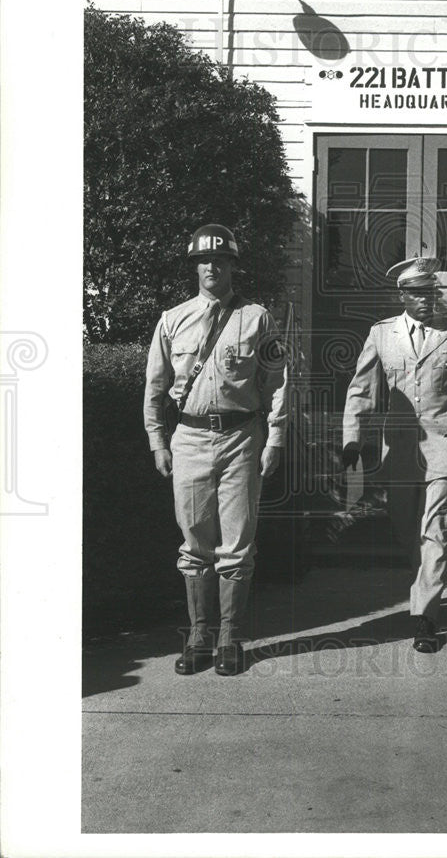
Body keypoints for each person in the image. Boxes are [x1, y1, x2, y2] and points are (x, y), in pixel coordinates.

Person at [144, 224, 286, 676]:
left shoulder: (257, 318)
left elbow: (278, 383)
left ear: (232, 266)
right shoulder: (173, 320)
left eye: (220, 261)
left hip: (241, 439)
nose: (211, 267)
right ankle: (199, 637)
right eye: (203, 261)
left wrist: (276, 438)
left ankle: (231, 639)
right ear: (195, 267)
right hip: (187, 439)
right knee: (194, 544)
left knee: (238, 545)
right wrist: (157, 441)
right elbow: (154, 387)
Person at [341, 256, 447, 652]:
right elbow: (361, 390)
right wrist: (352, 440)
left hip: (446, 442)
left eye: (431, 292)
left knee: (435, 529)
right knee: (407, 525)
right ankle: (425, 585)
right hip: (401, 448)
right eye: (417, 293)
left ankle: (425, 617)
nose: (427, 300)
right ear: (402, 295)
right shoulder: (381, 335)